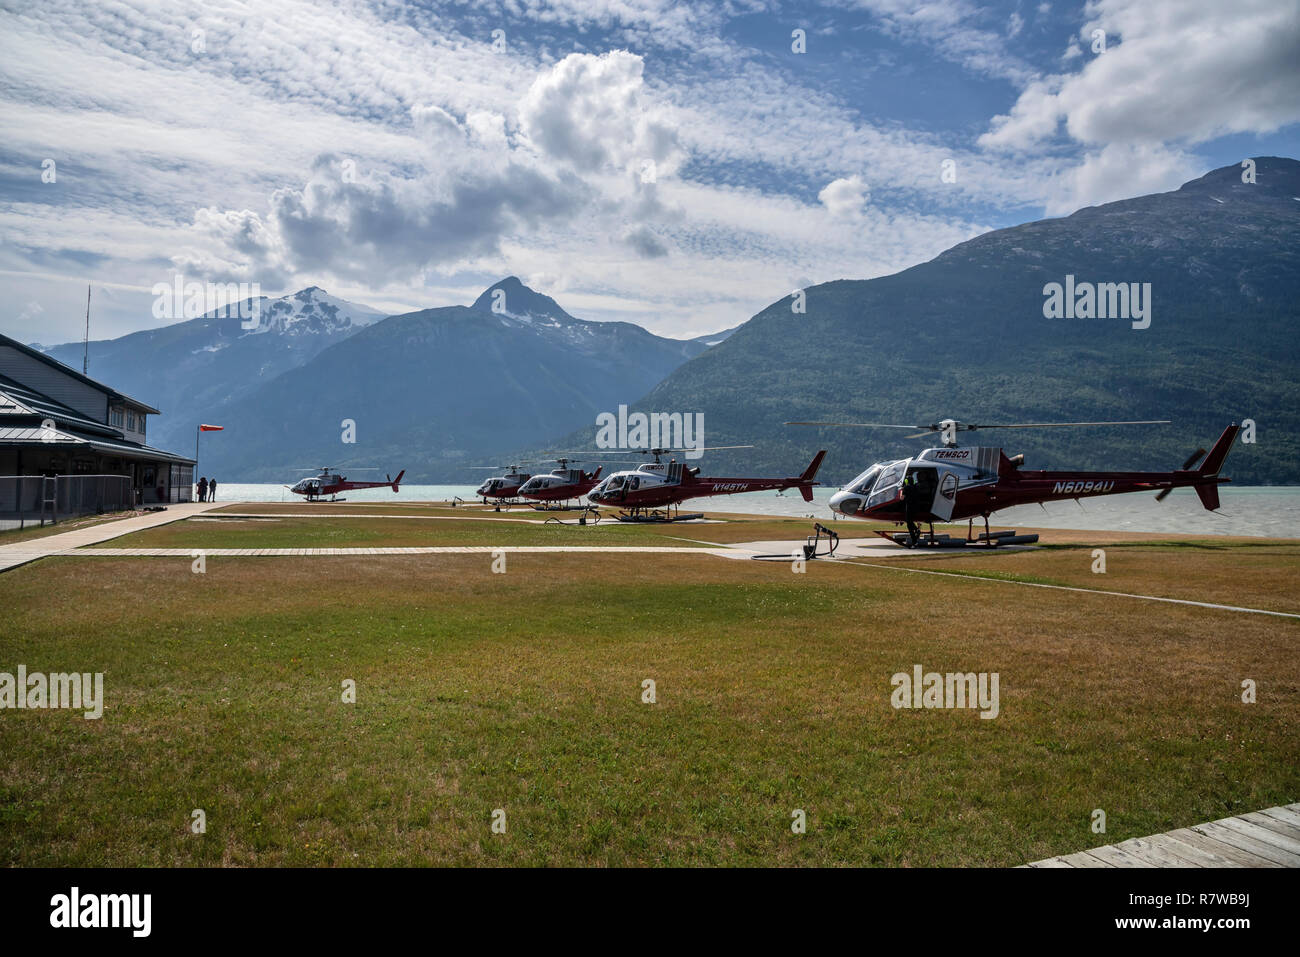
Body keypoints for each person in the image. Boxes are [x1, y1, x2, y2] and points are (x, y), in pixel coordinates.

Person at [901, 473, 921, 546]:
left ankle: (914, 541)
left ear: (906, 481)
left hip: (909, 506)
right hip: (916, 507)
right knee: (909, 522)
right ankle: (916, 531)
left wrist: (901, 490)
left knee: (909, 524)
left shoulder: (906, 488)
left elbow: (902, 498)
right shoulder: (916, 487)